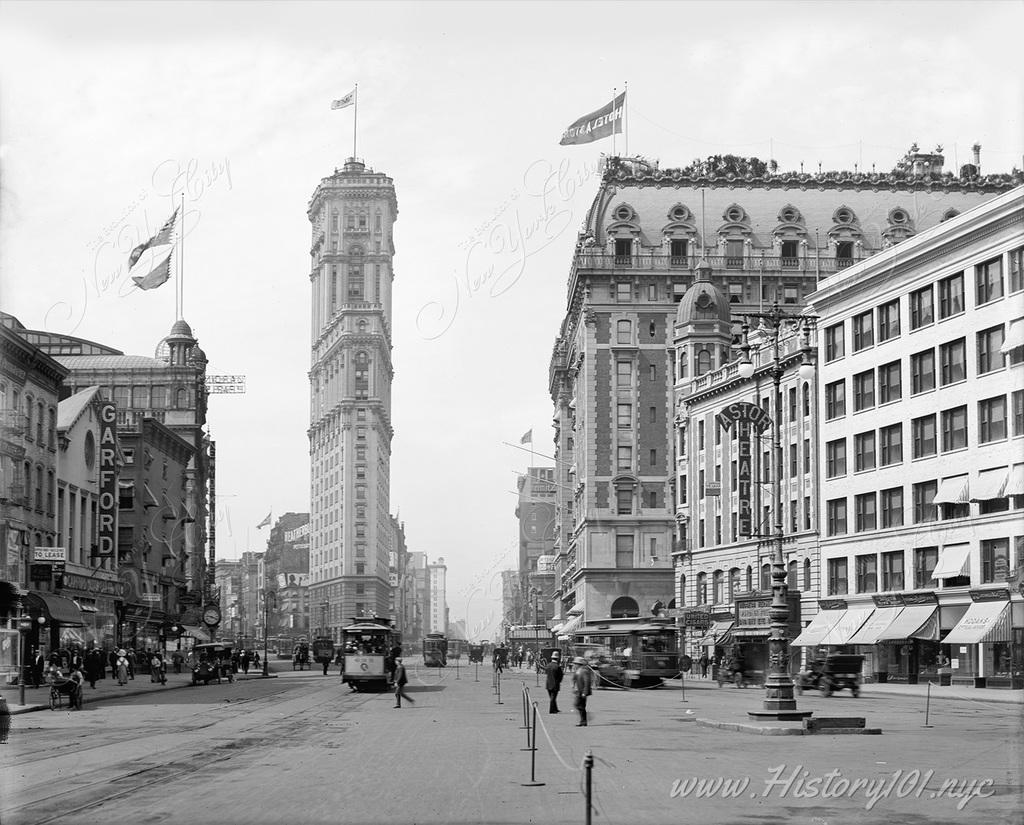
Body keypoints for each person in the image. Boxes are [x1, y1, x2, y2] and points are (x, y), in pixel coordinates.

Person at [571, 656, 593, 726]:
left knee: (580, 705)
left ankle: (583, 721)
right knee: (578, 705)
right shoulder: (577, 671)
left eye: (575, 664)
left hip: (582, 691)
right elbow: (574, 678)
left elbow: (587, 682)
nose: (574, 665)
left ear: (578, 664)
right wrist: (573, 685)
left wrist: (585, 692)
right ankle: (583, 720)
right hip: (578, 691)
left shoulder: (584, 671)